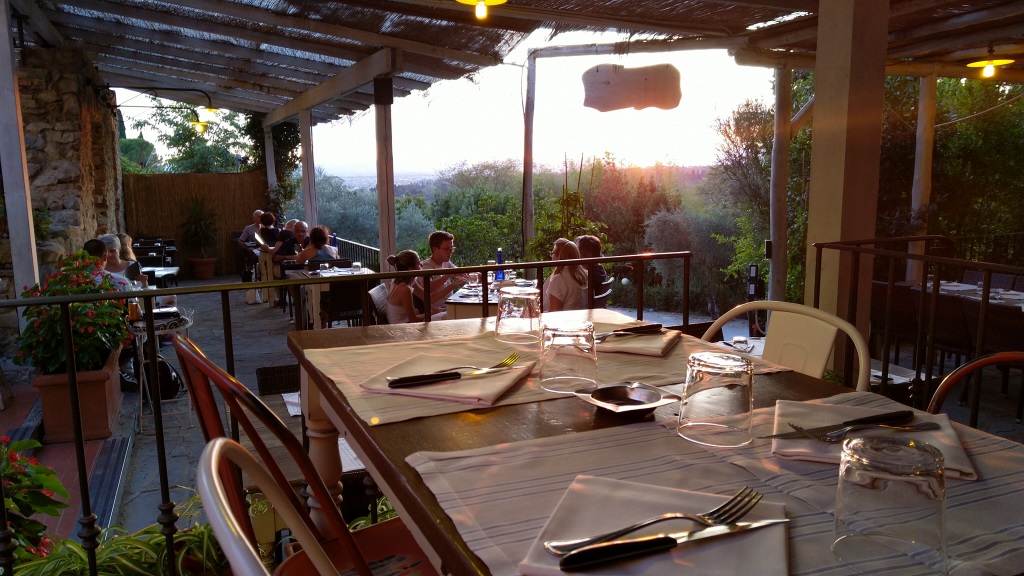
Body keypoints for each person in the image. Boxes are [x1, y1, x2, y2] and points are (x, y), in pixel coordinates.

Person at [385, 250, 444, 323]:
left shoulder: (408, 281)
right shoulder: (404, 289)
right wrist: (431, 312)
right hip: (401, 327)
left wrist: (453, 283)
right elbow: (413, 320)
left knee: (446, 315)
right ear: (411, 270)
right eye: (418, 264)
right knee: (446, 317)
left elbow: (428, 297)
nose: (421, 264)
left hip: (406, 323)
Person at [416, 230, 468, 313]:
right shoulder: (426, 266)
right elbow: (428, 288)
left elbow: (460, 273)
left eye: (452, 249)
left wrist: (475, 275)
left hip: (450, 306)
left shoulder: (446, 262)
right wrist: (449, 277)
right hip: (438, 312)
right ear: (435, 249)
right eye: (447, 249)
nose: (450, 252)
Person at [544, 238, 588, 312]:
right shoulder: (586, 275)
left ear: (560, 256)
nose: (551, 257)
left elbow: (553, 314)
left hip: (565, 319)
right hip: (583, 318)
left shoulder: (559, 280)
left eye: (552, 253)